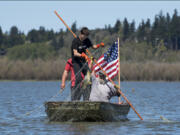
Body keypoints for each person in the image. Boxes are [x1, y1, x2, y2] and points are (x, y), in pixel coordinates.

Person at [71, 27, 104, 101]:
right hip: (76, 62)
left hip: (83, 62)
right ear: (81, 34)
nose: (85, 38)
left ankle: (87, 99)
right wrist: (82, 55)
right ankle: (74, 99)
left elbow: (93, 47)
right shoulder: (75, 41)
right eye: (84, 36)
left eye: (87, 36)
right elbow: (75, 53)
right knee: (79, 78)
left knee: (89, 79)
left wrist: (99, 45)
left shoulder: (87, 40)